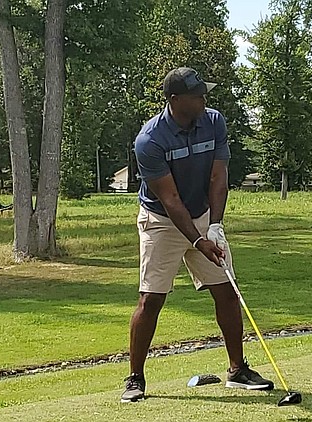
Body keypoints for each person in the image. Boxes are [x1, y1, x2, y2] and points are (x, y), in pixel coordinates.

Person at [121, 67, 273, 403]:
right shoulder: (150, 140)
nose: (204, 98)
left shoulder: (214, 121)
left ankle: (237, 370)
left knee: (227, 291)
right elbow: (170, 199)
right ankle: (135, 379)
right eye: (197, 94)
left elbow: (219, 178)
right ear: (175, 100)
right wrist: (197, 241)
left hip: (204, 216)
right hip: (161, 221)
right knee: (151, 300)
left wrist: (214, 227)